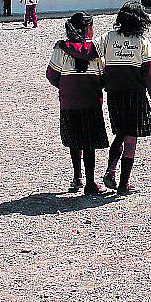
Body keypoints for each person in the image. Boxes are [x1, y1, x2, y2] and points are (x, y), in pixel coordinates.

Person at [96, 2, 151, 195]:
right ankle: (123, 184)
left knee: (120, 132)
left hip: (114, 93)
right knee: (130, 138)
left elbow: (90, 53)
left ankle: (111, 170)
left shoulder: (108, 37)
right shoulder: (142, 42)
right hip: (135, 93)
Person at [47, 12, 108, 195]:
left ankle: (77, 177)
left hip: (69, 102)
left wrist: (65, 87)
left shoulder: (61, 49)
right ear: (87, 28)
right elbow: (104, 76)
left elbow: (51, 75)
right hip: (91, 101)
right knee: (89, 142)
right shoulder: (96, 50)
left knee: (74, 140)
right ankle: (90, 182)